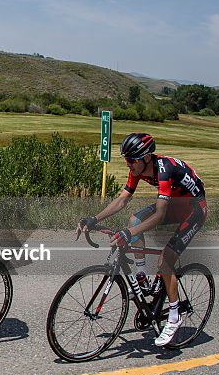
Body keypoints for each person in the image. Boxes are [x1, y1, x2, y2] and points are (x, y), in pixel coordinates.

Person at [78, 132, 207, 346]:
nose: (128, 164)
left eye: (131, 160)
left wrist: (129, 233)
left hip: (194, 209)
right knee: (135, 219)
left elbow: (160, 215)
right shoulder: (137, 168)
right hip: (177, 203)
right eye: (126, 160)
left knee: (165, 260)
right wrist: (94, 218)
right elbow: (122, 200)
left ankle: (174, 316)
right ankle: (141, 277)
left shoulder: (165, 170)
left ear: (147, 157)